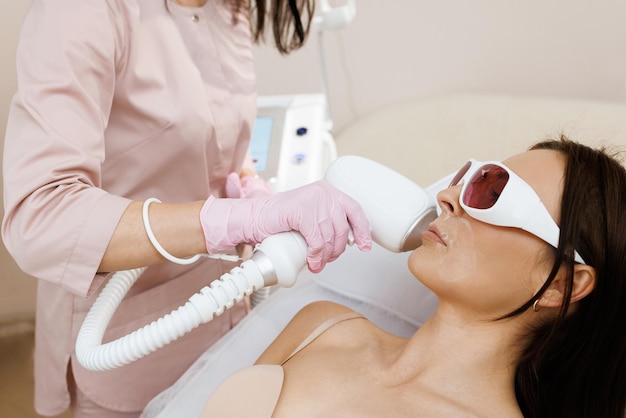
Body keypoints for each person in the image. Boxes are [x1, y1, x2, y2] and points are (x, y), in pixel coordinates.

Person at [1, 0, 372, 417]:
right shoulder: (82, 12)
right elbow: (40, 215)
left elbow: (209, 127)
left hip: (221, 310)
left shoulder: (225, 8)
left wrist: (249, 186)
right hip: (125, 335)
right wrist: (232, 221)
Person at [201, 136, 626, 418]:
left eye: (494, 193)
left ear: (558, 285)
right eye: (471, 178)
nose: (446, 197)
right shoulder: (322, 326)